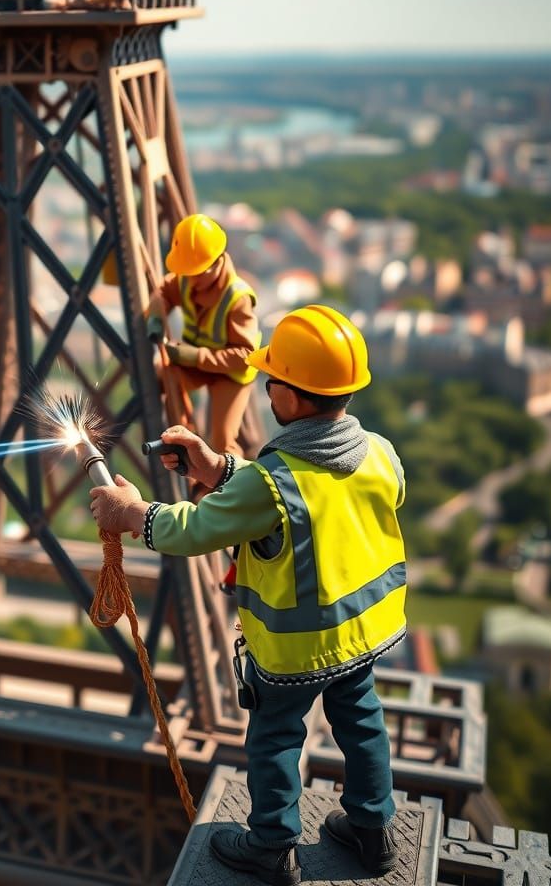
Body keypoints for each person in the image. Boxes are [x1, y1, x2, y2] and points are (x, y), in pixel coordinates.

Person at [89, 305, 406, 886]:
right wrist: (218, 466)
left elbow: (196, 530)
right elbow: (311, 504)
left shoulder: (271, 479)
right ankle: (374, 829)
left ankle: (270, 844)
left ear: (294, 395)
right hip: (363, 634)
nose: (265, 389)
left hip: (293, 650)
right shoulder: (382, 452)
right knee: (363, 724)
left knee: (276, 737)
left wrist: (131, 513)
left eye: (272, 381)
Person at [147, 214, 262, 460]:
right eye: (187, 273)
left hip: (231, 375)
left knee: (222, 440)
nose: (191, 280)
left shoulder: (237, 298)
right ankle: (188, 453)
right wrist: (156, 316)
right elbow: (163, 292)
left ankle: (229, 489)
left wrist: (196, 356)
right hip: (197, 365)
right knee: (163, 376)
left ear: (218, 262)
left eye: (197, 273)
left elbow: (247, 356)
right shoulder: (188, 279)